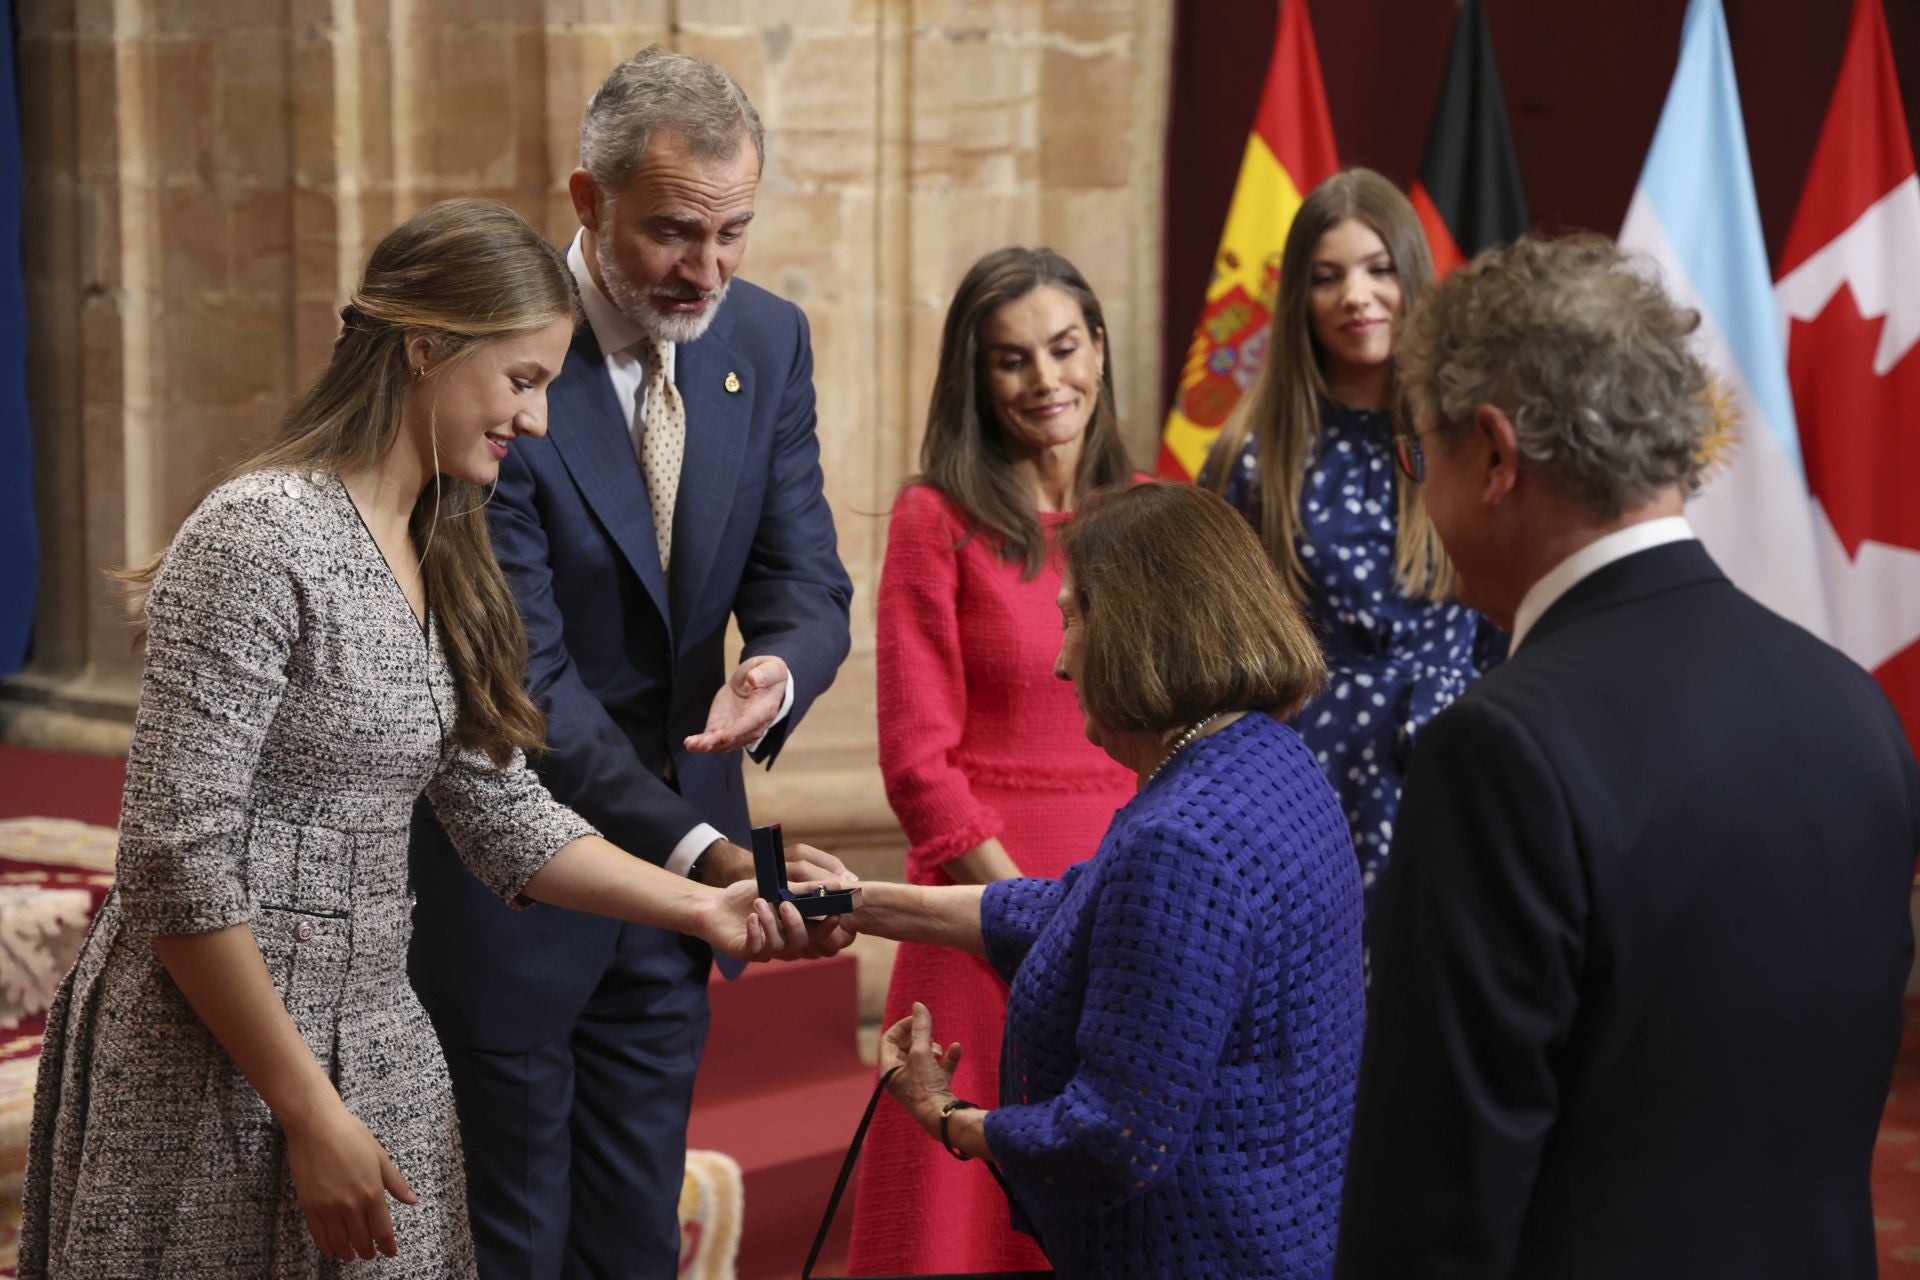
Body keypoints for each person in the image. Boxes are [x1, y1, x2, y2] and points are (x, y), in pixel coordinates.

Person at [19, 199, 836, 1280]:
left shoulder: (447, 543)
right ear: (424, 350)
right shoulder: (258, 532)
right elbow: (174, 858)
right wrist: (307, 1107)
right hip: (216, 1048)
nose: (537, 422)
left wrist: (703, 902)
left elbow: (500, 810)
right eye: (523, 381)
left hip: (382, 1033)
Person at [1336, 235, 1920, 1275]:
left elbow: (1436, 1201)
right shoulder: (1855, 707)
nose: (1415, 496)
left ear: (1494, 452)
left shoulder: (1498, 748)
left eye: (1417, 455)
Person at [405, 47, 854, 1279]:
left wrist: (777, 668)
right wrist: (709, 858)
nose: (705, 270)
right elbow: (528, 685)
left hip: (671, 913)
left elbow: (806, 577)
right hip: (518, 891)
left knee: (632, 1247)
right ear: (587, 201)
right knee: (511, 1246)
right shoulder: (498, 369)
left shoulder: (763, 338)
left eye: (733, 233)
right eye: (671, 233)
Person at [851, 482, 1365, 1280]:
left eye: (1073, 619)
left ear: (1139, 626)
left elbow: (1108, 1139)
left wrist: (948, 1116)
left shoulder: (1181, 840)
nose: (1059, 662)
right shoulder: (1266, 758)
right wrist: (862, 904)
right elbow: (1085, 910)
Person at [847, 247, 1141, 1275]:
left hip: (1129, 893)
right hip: (984, 919)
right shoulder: (938, 516)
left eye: (1064, 348)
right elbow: (919, 763)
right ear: (977, 378)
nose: (1045, 380)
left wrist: (1103, 915)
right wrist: (1028, 917)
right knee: (961, 1221)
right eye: (1012, 360)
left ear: (1101, 350)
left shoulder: (1152, 509)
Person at [1201, 167, 1495, 917]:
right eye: (1328, 277)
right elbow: (1215, 640)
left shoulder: (1471, 435)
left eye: (1378, 269)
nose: (1356, 297)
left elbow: (1510, 620)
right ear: (1300, 296)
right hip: (1307, 776)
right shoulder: (1252, 450)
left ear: (1412, 278)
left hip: (1458, 762)